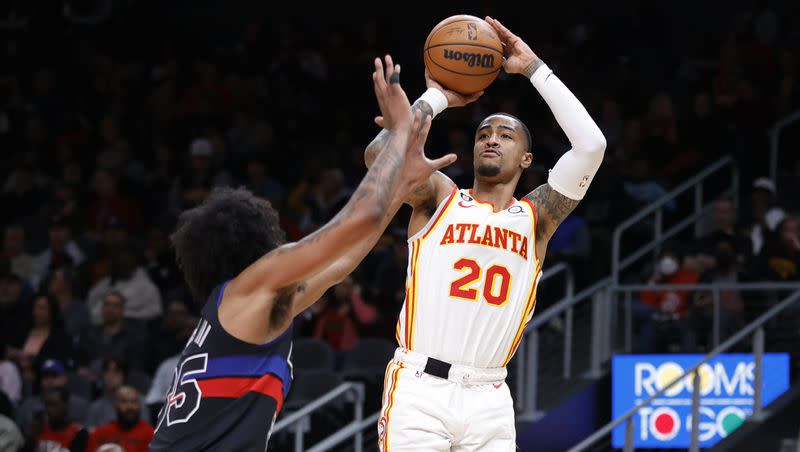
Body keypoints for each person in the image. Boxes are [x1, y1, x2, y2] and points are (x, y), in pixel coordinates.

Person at [149, 55, 455, 451]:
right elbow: (362, 215)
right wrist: (399, 132)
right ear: (257, 242)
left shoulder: (247, 308)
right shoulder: (254, 282)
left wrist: (400, 192)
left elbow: (341, 264)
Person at [365, 17, 606, 450]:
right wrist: (438, 95)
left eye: (505, 134)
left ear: (527, 158)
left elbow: (591, 146)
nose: (491, 139)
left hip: (490, 398)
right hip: (421, 388)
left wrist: (534, 68)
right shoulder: (439, 197)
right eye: (483, 133)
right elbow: (378, 157)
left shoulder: (537, 218)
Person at [88, 385, 154, 452]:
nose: (129, 406)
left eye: (134, 402)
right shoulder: (100, 434)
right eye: (124, 401)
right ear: (115, 404)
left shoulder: (150, 434)